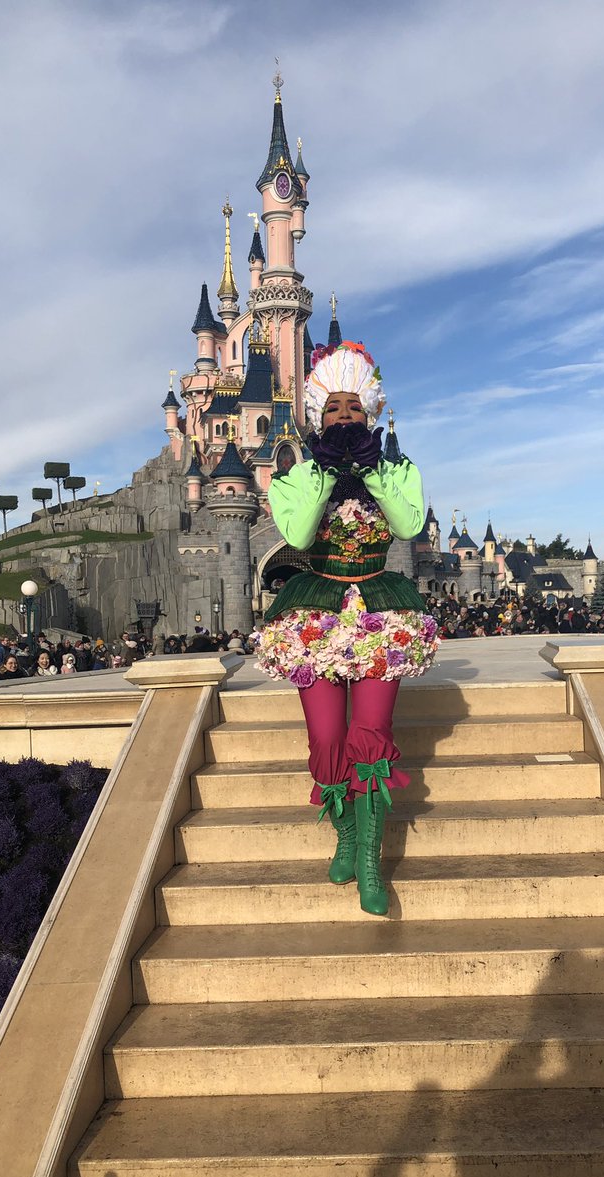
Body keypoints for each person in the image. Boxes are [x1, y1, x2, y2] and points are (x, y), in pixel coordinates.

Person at [255, 341, 439, 916]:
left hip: (381, 612)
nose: (343, 416)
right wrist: (325, 474)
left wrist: (372, 470)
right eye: (332, 407)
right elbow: (300, 535)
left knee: (371, 735)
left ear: (370, 413)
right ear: (318, 416)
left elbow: (407, 524)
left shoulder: (398, 470)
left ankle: (370, 864)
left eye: (353, 407)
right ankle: (346, 835)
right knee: (327, 739)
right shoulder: (294, 478)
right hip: (316, 610)